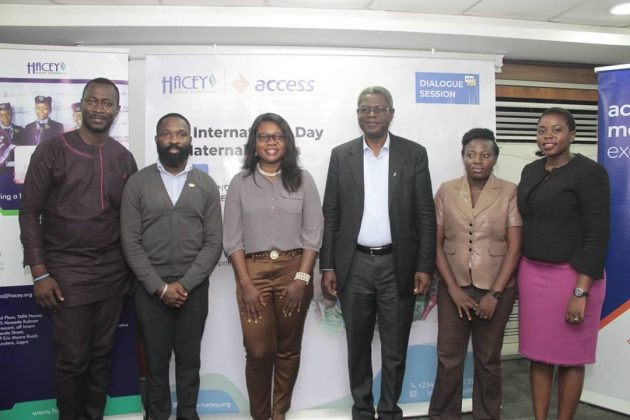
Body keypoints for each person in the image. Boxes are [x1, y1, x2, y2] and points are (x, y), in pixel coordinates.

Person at [19, 78, 138, 420]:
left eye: (107, 103)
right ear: (81, 105)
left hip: (112, 275)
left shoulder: (123, 158)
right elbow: (29, 212)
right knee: (73, 361)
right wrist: (40, 273)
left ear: (116, 110)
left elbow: (131, 220)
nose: (99, 108)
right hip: (65, 274)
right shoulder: (52, 150)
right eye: (92, 101)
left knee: (101, 357)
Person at [320, 86, 436, 420]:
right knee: (357, 346)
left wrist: (424, 266)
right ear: (358, 114)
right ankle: (362, 410)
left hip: (398, 265)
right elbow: (331, 214)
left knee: (395, 347)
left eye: (379, 109)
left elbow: (425, 215)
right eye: (365, 109)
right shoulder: (341, 155)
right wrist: (327, 266)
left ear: (391, 114)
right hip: (353, 264)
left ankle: (388, 411)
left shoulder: (413, 154)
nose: (371, 115)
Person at [121, 112, 223, 420]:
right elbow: (130, 242)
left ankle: (188, 415)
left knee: (189, 362)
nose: (174, 140)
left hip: (193, 289)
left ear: (190, 140)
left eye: (180, 134)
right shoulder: (138, 183)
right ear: (157, 139)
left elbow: (213, 243)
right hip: (150, 290)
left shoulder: (205, 185)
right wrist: (160, 288)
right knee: (155, 363)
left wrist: (184, 284)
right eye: (167, 133)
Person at [223, 112, 323, 420]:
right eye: (264, 136)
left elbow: (313, 235)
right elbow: (232, 240)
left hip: (295, 270)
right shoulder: (240, 183)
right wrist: (246, 284)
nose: (271, 142)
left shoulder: (303, 180)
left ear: (287, 143)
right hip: (252, 272)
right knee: (258, 351)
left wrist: (301, 279)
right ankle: (260, 415)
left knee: (288, 349)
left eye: (278, 136)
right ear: (254, 144)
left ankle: (279, 413)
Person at [517, 107, 609, 420]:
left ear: (572, 135)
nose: (548, 136)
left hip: (573, 277)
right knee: (539, 355)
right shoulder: (530, 170)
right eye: (542, 129)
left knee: (570, 357)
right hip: (533, 274)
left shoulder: (590, 173)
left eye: (556, 130)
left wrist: (580, 292)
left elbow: (597, 236)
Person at [428, 128, 522, 419]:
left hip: (496, 287)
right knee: (448, 359)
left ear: (495, 158)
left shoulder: (509, 191)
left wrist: (495, 293)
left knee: (488, 359)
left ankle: (488, 415)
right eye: (471, 154)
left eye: (485, 155)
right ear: (463, 157)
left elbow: (515, 247)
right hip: (453, 286)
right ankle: (443, 415)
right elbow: (435, 243)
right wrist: (454, 290)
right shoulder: (446, 190)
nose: (478, 160)